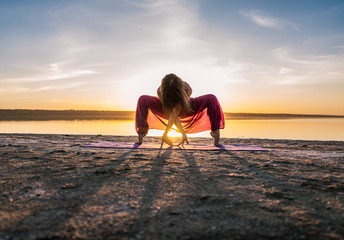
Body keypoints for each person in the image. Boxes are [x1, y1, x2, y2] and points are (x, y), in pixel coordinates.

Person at [135, 73, 225, 146]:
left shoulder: (187, 89)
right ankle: (142, 132)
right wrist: (173, 134)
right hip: (165, 109)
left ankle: (215, 132)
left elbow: (175, 113)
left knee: (211, 98)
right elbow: (172, 113)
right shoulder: (160, 91)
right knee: (143, 99)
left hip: (187, 107)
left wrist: (181, 134)